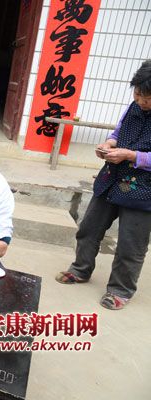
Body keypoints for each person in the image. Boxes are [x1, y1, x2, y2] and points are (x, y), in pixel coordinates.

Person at [56, 60, 151, 310]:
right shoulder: (134, 106)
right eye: (138, 94)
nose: (141, 101)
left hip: (144, 190)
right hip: (111, 178)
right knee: (89, 228)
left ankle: (120, 290)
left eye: (147, 98)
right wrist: (108, 145)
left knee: (130, 244)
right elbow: (119, 132)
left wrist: (131, 156)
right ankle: (80, 269)